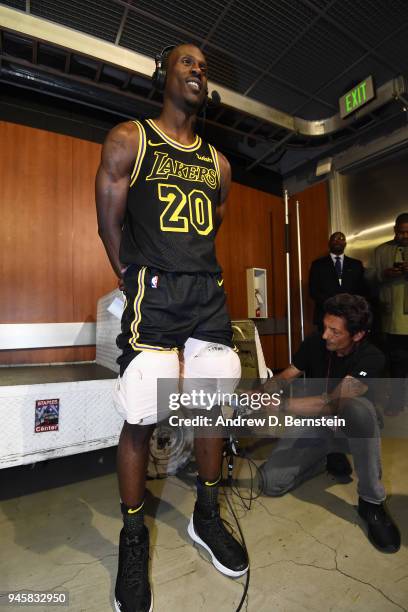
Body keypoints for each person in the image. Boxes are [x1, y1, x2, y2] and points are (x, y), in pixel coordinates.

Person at [95, 44, 248, 612]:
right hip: (153, 294)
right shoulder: (128, 140)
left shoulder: (219, 164)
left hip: (205, 293)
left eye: (205, 65)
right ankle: (133, 540)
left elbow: (210, 228)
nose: (199, 70)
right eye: (187, 62)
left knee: (213, 405)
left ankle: (205, 518)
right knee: (140, 412)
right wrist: (134, 279)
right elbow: (109, 223)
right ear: (164, 73)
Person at [260, 293, 400, 554]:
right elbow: (287, 375)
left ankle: (371, 503)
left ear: (357, 335)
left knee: (359, 409)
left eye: (334, 331)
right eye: (325, 327)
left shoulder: (373, 357)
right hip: (318, 424)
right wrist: (263, 392)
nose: (325, 335)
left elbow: (334, 403)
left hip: (354, 430)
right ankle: (327, 458)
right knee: (271, 482)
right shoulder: (315, 342)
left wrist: (282, 406)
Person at [374, 213, 408, 415]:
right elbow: (369, 278)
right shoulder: (381, 251)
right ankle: (396, 402)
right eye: (401, 231)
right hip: (393, 318)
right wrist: (384, 274)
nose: (404, 235)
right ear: (394, 230)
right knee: (396, 364)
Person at [309, 232, 365, 329]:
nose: (338, 241)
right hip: (325, 313)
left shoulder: (356, 265)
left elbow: (361, 289)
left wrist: (349, 305)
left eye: (341, 238)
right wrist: (333, 304)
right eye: (335, 239)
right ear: (329, 243)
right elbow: (313, 291)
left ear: (345, 243)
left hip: (350, 316)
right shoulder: (318, 265)